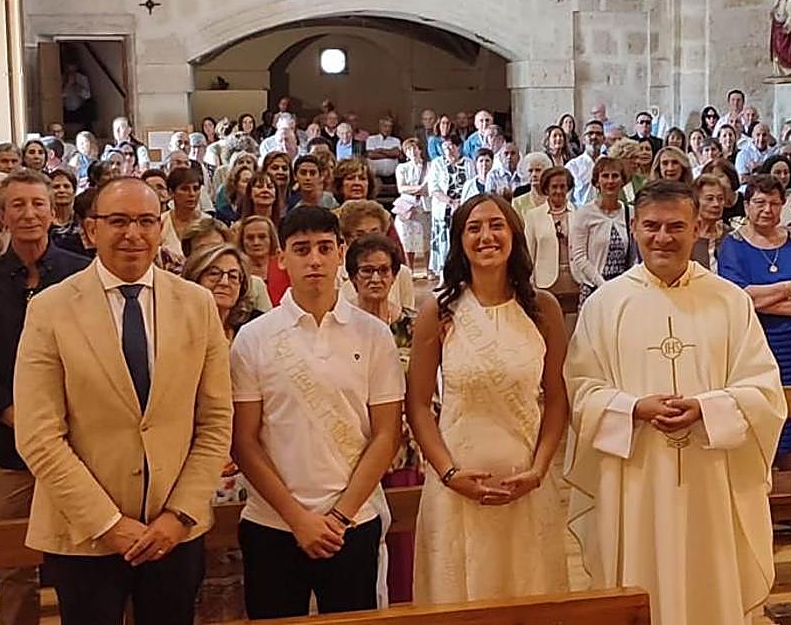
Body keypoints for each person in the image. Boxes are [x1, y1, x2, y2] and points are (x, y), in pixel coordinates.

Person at [565, 180, 786, 625]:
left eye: (675, 227)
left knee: (711, 579)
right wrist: (633, 408)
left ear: (698, 227)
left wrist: (707, 408)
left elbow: (764, 391)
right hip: (635, 476)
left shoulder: (729, 301)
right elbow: (581, 390)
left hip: (711, 476)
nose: (662, 237)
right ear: (634, 227)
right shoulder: (606, 304)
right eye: (651, 226)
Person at [13, 177, 232, 625]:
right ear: (91, 230)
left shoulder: (197, 304)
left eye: (145, 221)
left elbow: (214, 421)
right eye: (118, 221)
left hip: (173, 531)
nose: (133, 233)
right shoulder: (50, 309)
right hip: (84, 532)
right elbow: (38, 435)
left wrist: (179, 516)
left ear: (160, 228)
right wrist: (108, 524)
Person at [230, 207, 403, 618]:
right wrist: (297, 519)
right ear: (281, 258)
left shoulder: (374, 334)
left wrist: (339, 516)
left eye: (325, 248)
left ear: (341, 253)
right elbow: (244, 440)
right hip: (273, 523)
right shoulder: (254, 338)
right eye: (302, 249)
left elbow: (386, 434)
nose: (314, 260)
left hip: (352, 521)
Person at [407, 194, 569, 603]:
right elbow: (419, 405)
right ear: (459, 240)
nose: (486, 236)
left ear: (514, 233)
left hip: (526, 487)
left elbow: (556, 400)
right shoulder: (439, 311)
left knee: (529, 597)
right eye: (474, 228)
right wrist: (448, 473)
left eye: (496, 225)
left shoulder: (543, 310)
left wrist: (538, 470)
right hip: (455, 487)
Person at [0, 170, 90, 625]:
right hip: (10, 444)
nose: (28, 214)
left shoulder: (82, 274)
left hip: (79, 439)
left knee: (83, 553)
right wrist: (15, 415)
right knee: (16, 563)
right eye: (17, 205)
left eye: (38, 204)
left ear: (53, 212)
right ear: (1, 215)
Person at [717, 175, 791, 469]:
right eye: (760, 202)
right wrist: (789, 287)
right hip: (754, 347)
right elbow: (739, 297)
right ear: (746, 206)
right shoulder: (733, 246)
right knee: (756, 417)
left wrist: (764, 300)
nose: (767, 209)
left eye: (774, 203)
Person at [344, 233, 421, 602]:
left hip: (404, 449)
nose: (375, 278)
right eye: (366, 271)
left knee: (403, 548)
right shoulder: (341, 327)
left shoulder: (414, 325)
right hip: (352, 451)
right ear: (352, 276)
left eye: (383, 270)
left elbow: (428, 391)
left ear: (394, 275)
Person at [570, 156, 635, 304]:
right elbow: (579, 256)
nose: (610, 181)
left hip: (623, 289)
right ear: (596, 181)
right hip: (594, 288)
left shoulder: (631, 212)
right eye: (605, 176)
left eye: (615, 176)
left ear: (622, 181)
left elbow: (633, 254)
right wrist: (602, 284)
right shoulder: (584, 213)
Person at [524, 167, 579, 321]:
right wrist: (530, 284)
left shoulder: (579, 213)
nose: (559, 191)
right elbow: (529, 253)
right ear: (546, 189)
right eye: (554, 187)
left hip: (574, 282)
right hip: (545, 284)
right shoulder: (533, 216)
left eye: (563, 186)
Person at [425, 135, 471, 276]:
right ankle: (443, 273)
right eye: (445, 147)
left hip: (464, 205)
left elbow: (471, 184)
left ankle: (463, 271)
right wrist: (451, 202)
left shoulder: (468, 163)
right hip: (444, 207)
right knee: (444, 240)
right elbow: (434, 188)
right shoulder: (437, 163)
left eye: (451, 146)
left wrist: (461, 203)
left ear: (459, 147)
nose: (448, 150)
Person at [393, 138, 429, 274]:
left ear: (420, 150)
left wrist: (414, 189)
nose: (412, 151)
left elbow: (430, 187)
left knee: (426, 238)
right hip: (407, 207)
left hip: (424, 206)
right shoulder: (401, 168)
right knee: (408, 239)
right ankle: (410, 270)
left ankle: (429, 269)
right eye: (408, 149)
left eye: (414, 148)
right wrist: (419, 189)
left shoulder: (429, 166)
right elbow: (401, 188)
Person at [690, 173, 732, 272]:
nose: (716, 204)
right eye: (710, 199)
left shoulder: (730, 235)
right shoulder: (686, 236)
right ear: (696, 201)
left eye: (720, 199)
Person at [566, 119, 605, 205]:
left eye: (598, 134)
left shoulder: (610, 164)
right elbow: (566, 198)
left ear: (604, 139)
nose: (594, 137)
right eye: (590, 133)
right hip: (581, 211)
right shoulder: (573, 166)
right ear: (583, 139)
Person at [509, 152, 553, 217]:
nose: (534, 174)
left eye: (538, 170)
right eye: (530, 171)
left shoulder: (555, 199)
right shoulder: (518, 203)